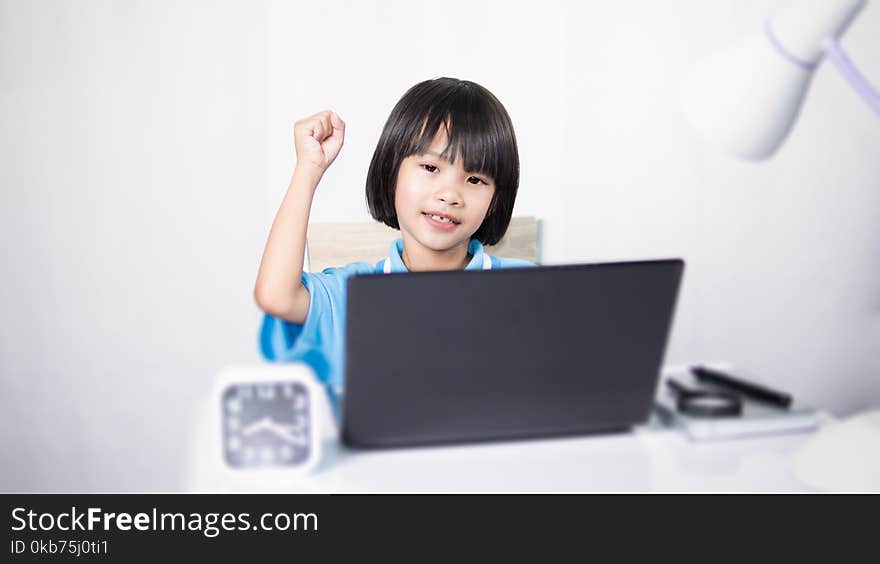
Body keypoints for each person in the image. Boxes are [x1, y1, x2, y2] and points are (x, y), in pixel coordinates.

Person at [254, 77, 534, 403]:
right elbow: (277, 296)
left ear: (494, 200)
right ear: (391, 172)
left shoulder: (526, 287)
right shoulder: (352, 295)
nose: (450, 194)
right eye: (430, 167)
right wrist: (308, 169)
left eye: (474, 179)